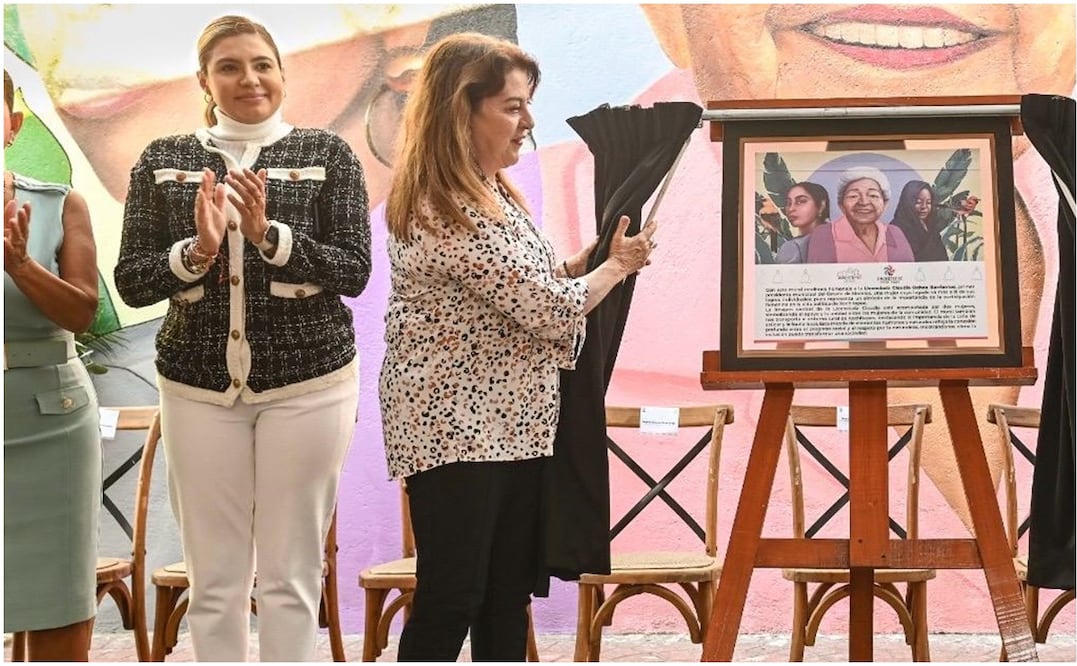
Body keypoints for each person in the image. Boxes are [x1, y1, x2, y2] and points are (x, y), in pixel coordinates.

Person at [379, 33, 656, 662]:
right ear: (460, 111)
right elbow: (546, 308)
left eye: (528, 105)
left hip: (516, 422)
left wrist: (591, 261)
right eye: (511, 106)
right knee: (454, 594)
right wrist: (614, 269)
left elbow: (528, 285)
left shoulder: (495, 190)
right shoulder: (440, 203)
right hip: (454, 427)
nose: (528, 122)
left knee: (505, 594)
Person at [113, 15, 371, 662]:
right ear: (205, 80)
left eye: (262, 64)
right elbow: (132, 281)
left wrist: (270, 238)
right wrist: (196, 252)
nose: (248, 78)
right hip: (195, 386)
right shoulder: (162, 161)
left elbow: (354, 270)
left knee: (291, 574)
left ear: (282, 73)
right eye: (229, 66)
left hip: (310, 384)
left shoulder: (327, 154)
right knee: (215, 578)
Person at [3, 69, 102, 661]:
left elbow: (83, 311)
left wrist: (21, 267)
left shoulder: (60, 203)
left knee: (59, 601)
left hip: (48, 423)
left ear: (12, 124)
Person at [806, 166, 914, 263]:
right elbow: (820, 279)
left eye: (873, 195)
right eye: (853, 196)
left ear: (885, 204)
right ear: (841, 205)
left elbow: (908, 275)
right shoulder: (824, 235)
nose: (864, 202)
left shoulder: (894, 233)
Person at [891, 179, 949, 261]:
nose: (924, 207)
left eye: (928, 202)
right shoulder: (895, 229)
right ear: (907, 202)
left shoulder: (931, 228)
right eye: (918, 202)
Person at [775, 181, 830, 263]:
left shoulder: (792, 248)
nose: (791, 209)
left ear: (821, 206)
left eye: (801, 201)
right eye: (789, 203)